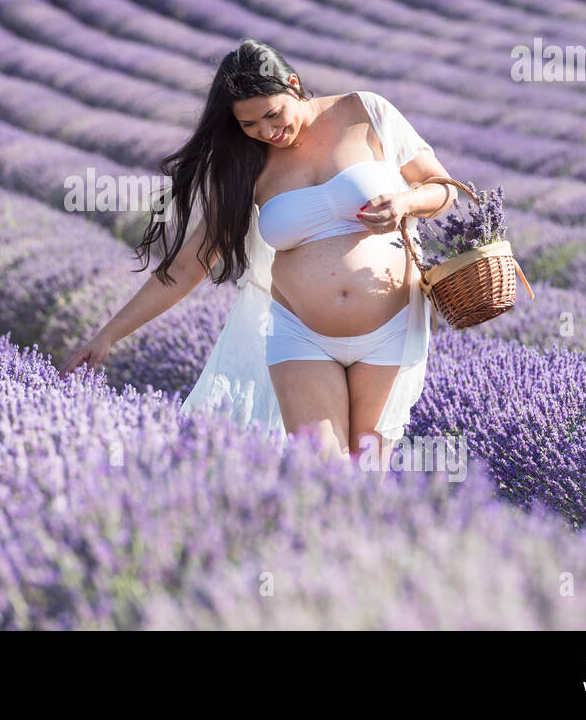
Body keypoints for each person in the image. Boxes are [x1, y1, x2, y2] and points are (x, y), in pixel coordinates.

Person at [60, 40, 456, 470]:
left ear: (293, 85)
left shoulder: (365, 112)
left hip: (389, 331)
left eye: (273, 114)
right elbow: (189, 264)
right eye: (249, 124)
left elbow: (443, 187)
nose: (268, 132)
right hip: (301, 335)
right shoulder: (246, 165)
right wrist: (108, 335)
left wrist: (405, 203)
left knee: (368, 471)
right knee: (324, 472)